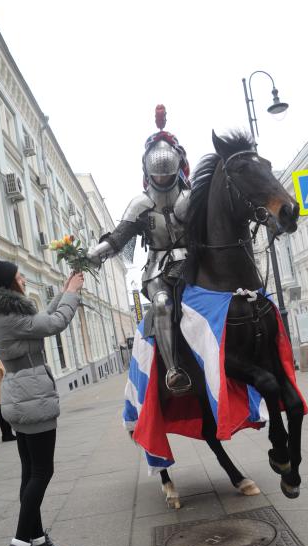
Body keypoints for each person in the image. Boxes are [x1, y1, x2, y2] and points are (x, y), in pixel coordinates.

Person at [0, 259, 84, 546]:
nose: (22, 276)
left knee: (29, 472)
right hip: (31, 397)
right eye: (17, 274)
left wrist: (64, 291)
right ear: (9, 284)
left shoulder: (5, 313)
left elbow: (39, 320)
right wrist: (73, 294)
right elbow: (54, 324)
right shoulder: (7, 317)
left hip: (22, 394)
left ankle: (38, 543)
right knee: (41, 472)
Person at [87, 105, 191, 394]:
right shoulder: (139, 205)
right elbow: (120, 237)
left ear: (176, 168)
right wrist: (96, 253)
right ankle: (173, 370)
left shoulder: (192, 198)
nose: (160, 179)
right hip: (158, 269)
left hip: (195, 263)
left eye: (165, 174)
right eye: (156, 175)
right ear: (148, 172)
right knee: (161, 305)